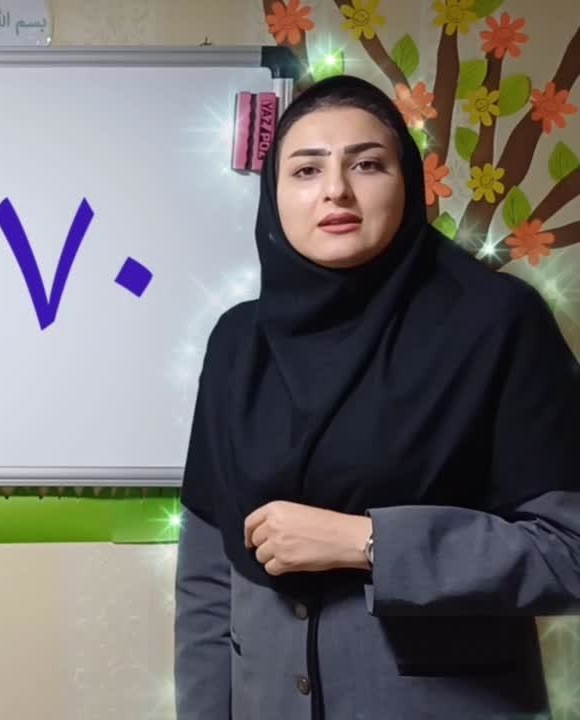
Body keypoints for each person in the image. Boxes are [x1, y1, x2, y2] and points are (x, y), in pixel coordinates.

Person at [173, 73, 580, 720]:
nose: (336, 189)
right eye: (306, 170)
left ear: (408, 183)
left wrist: (368, 542)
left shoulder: (497, 323)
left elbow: (569, 551)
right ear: (273, 196)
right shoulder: (238, 343)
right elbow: (205, 572)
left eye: (366, 164)